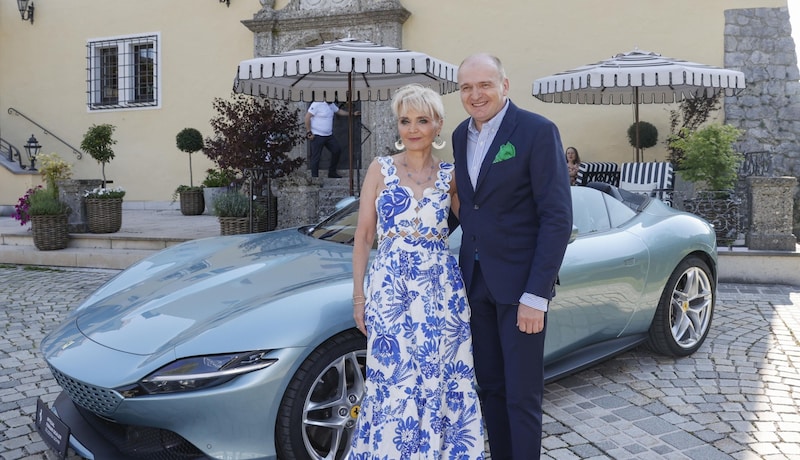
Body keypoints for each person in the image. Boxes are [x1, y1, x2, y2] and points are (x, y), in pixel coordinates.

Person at [350, 83, 485, 459]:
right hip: (391, 291)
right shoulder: (379, 170)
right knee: (393, 382)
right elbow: (362, 237)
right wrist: (359, 296)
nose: (412, 129)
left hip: (440, 295)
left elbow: (478, 229)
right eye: (405, 120)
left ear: (437, 125)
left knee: (442, 380)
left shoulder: (452, 176)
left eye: (421, 120)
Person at [452, 53, 573, 460]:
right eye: (466, 87)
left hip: (522, 289)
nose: (475, 94)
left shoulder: (538, 131)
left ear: (504, 85)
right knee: (490, 387)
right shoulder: (458, 136)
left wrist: (536, 295)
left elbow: (556, 217)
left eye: (484, 84)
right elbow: (470, 208)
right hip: (475, 283)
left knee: (522, 396)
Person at [304, 102, 359, 178]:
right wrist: (309, 132)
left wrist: (352, 114)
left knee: (337, 150)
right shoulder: (316, 104)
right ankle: (315, 178)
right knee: (316, 157)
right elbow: (307, 117)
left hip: (329, 135)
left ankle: (332, 173)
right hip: (317, 135)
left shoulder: (331, 105)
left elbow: (339, 111)